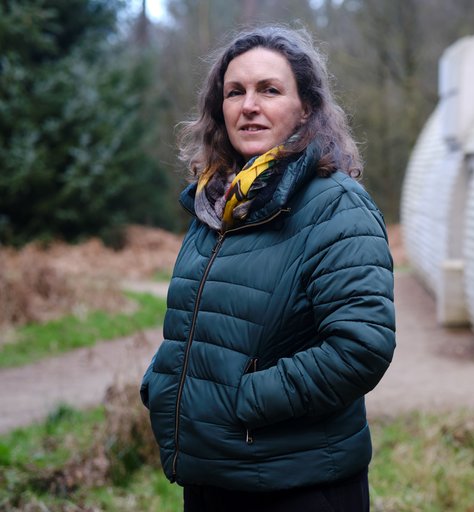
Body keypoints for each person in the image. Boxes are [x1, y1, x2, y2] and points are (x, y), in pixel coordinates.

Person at [139, 25, 396, 511]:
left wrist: (243, 401)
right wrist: (164, 384)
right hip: (215, 476)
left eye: (269, 90)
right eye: (234, 92)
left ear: (306, 108)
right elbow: (201, 325)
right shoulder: (217, 207)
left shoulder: (336, 206)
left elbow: (360, 347)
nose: (248, 105)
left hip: (297, 484)